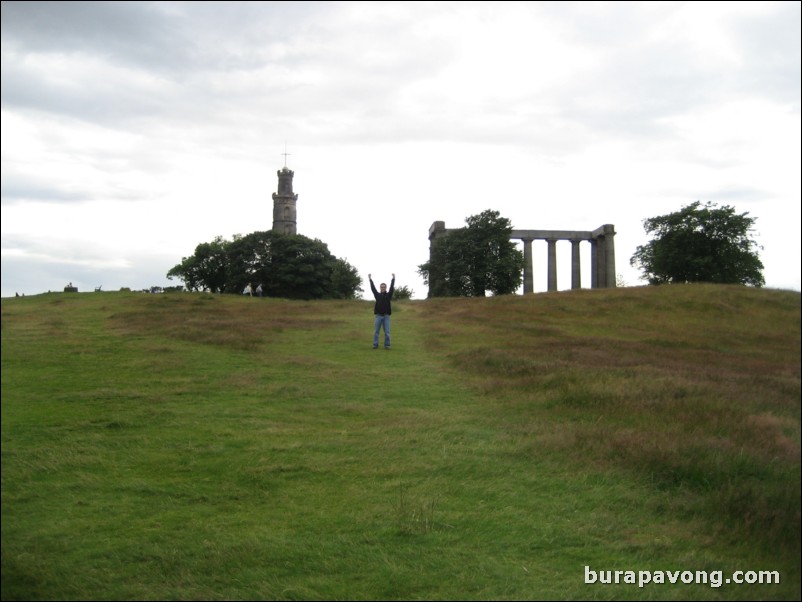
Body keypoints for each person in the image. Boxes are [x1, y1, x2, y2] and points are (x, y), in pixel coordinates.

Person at [369, 273, 395, 349]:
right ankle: (375, 345)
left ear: (385, 287)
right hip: (378, 316)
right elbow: (373, 288)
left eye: (384, 287)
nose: (383, 288)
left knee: (387, 332)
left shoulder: (388, 295)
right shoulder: (377, 295)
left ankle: (387, 345)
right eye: (381, 287)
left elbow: (392, 288)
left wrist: (393, 279)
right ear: (380, 288)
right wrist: (370, 279)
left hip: (386, 316)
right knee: (376, 332)